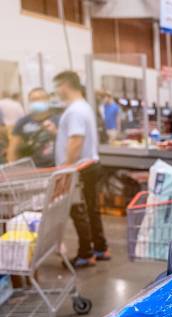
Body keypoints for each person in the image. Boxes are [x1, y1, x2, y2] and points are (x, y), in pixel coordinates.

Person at [46, 71, 110, 268]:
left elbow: (76, 140)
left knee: (78, 211)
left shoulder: (74, 110)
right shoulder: (84, 107)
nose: (56, 91)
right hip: (90, 165)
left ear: (65, 85)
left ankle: (86, 253)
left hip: (79, 169)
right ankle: (100, 248)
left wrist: (65, 171)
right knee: (92, 209)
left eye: (57, 86)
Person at [8, 88, 58, 167]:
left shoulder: (58, 120)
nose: (37, 102)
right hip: (32, 168)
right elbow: (13, 149)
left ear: (48, 100)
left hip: (54, 165)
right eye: (33, 100)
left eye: (40, 99)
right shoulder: (22, 122)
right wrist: (11, 168)